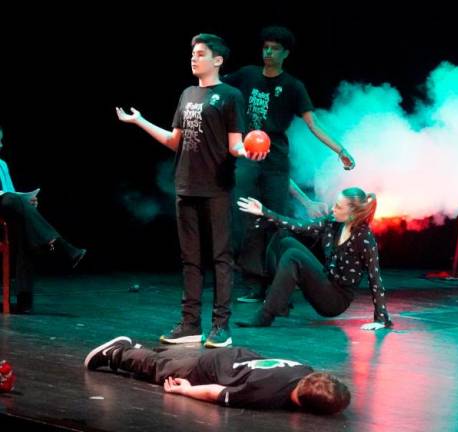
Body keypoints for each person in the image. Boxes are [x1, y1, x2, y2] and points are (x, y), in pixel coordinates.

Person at [116, 33, 257, 348]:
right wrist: (140, 121)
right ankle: (190, 324)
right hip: (185, 185)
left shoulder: (230, 95)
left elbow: (235, 145)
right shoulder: (187, 94)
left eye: (201, 54)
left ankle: (220, 326)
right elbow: (174, 141)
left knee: (220, 257)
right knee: (190, 259)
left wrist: (248, 151)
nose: (194, 58)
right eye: (193, 53)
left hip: (216, 187)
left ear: (218, 60)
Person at [223, 26, 356, 303]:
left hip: (275, 162)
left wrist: (340, 150)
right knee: (248, 220)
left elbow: (313, 124)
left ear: (285, 53)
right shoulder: (247, 75)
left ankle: (279, 281)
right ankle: (254, 283)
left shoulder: (293, 87)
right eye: (265, 47)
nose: (268, 53)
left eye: (274, 49)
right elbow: (219, 87)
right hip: (247, 158)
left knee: (275, 221)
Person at [235, 187, 392, 330]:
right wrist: (264, 211)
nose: (333, 209)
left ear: (353, 212)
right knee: (284, 239)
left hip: (335, 301)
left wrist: (381, 319)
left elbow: (375, 278)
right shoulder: (333, 222)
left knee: (293, 255)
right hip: (326, 280)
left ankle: (266, 315)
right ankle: (281, 301)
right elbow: (299, 226)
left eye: (338, 207)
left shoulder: (364, 238)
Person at [84, 336, 351, 415]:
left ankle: (138, 351)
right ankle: (116, 353)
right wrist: (186, 390)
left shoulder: (306, 371)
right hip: (212, 370)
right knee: (161, 370)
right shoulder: (266, 395)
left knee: (175, 362)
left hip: (236, 358)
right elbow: (217, 392)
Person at [0, 125, 86, 313]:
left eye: (1, 141)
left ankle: (24, 301)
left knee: (28, 229)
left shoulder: (2, 165)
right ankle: (60, 245)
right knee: (15, 206)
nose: (1, 145)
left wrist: (26, 201)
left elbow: (10, 193)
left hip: (5, 212)